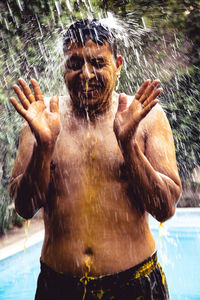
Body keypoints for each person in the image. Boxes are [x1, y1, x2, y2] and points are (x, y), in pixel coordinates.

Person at [9, 19, 182, 300]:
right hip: (59, 286)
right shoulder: (42, 120)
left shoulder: (148, 118)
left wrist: (129, 145)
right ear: (63, 67)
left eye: (98, 63)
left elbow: (164, 208)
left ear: (118, 64)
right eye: (75, 63)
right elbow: (25, 207)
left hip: (135, 283)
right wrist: (44, 146)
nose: (86, 75)